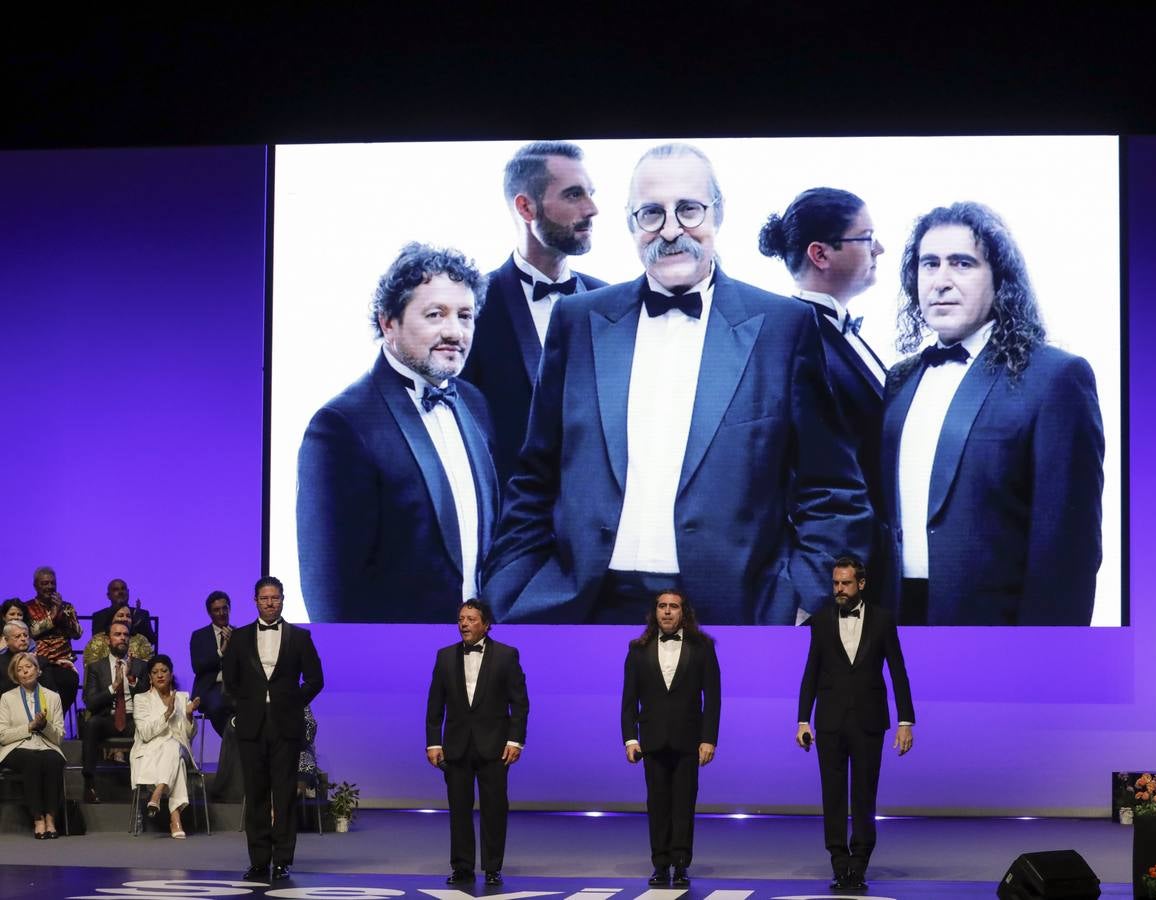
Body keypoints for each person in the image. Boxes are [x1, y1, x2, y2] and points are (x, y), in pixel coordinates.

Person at [484, 143, 872, 625]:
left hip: (735, 614)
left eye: (688, 209)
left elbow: (832, 491)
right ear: (630, 223)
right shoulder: (577, 321)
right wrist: (510, 588)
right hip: (584, 609)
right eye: (651, 213)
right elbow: (535, 478)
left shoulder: (783, 327)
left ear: (718, 213)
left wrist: (804, 600)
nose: (670, 230)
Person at [879, 202, 1105, 625]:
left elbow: (1068, 550)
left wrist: (1045, 659)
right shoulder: (900, 379)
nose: (940, 281)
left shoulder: (1055, 377)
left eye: (962, 264)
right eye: (929, 264)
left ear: (999, 279)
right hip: (895, 627)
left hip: (1000, 637)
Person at [298, 242, 499, 623]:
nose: (455, 331)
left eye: (465, 315)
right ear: (388, 322)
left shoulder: (475, 404)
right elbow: (329, 595)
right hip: (393, 668)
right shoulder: (340, 425)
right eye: (436, 314)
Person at [759, 187, 889, 595]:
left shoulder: (839, 330)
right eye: (867, 238)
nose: (880, 248)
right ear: (821, 254)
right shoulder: (796, 339)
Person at [459, 141, 606, 490]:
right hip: (511, 530)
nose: (593, 208)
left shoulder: (613, 302)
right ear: (526, 207)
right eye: (573, 195)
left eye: (590, 193)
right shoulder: (471, 307)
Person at [797, 555, 915, 888]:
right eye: (835, 583)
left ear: (861, 584)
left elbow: (898, 671)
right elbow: (811, 673)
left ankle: (859, 862)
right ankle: (838, 861)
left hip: (868, 720)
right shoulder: (820, 620)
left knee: (865, 794)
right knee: (832, 794)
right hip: (830, 721)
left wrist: (906, 720)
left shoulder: (882, 620)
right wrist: (802, 719)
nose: (839, 589)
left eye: (845, 583)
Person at [221, 576, 324, 883]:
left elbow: (316, 679)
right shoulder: (239, 638)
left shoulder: (299, 637)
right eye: (264, 598)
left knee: (284, 796)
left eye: (275, 598)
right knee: (255, 795)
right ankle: (258, 860)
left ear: (282, 600)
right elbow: (230, 680)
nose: (270, 603)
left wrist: (294, 702)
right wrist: (245, 706)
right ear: (255, 601)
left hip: (285, 725)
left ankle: (282, 860)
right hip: (252, 725)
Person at [425, 600, 528, 886]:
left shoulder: (507, 656)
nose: (464, 624)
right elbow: (435, 705)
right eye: (461, 618)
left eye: (471, 619)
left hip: (494, 747)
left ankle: (493, 867)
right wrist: (433, 742)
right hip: (456, 746)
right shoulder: (444, 656)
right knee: (458, 810)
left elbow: (519, 703)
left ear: (485, 624)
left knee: (494, 809)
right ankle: (462, 867)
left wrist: (515, 741)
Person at [620, 590, 720, 886]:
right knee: (658, 804)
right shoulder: (638, 649)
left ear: (683, 612)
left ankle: (680, 863)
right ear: (654, 612)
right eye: (662, 606)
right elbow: (629, 699)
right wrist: (629, 739)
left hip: (689, 740)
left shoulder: (702, 647)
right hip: (651, 739)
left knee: (684, 804)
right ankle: (660, 864)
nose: (667, 612)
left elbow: (713, 698)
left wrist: (709, 738)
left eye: (673, 607)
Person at [131, 654, 201, 838]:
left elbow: (188, 736)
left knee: (173, 745)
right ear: (150, 677)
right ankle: (175, 817)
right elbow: (145, 733)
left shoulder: (182, 697)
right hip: (150, 752)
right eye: (155, 672)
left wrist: (189, 716)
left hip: (180, 750)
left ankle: (158, 792)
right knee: (173, 755)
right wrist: (167, 714)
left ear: (171, 674)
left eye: (164, 671)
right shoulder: (141, 699)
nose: (160, 675)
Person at [80, 620, 150, 803]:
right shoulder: (96, 667)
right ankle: (89, 785)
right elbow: (90, 702)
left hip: (134, 718)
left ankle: (149, 786)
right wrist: (113, 687)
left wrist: (132, 681)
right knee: (91, 724)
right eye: (117, 634)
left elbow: (150, 698)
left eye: (126, 635)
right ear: (108, 640)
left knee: (151, 727)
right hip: (107, 719)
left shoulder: (141, 666)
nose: (122, 638)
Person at [0, 652, 66, 838]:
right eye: (19, 670)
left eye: (28, 667)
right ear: (15, 675)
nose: (24, 672)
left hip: (46, 745)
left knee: (53, 760)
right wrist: (30, 726)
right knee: (32, 760)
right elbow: (3, 735)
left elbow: (59, 737)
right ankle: (38, 819)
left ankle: (50, 819)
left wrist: (44, 726)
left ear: (38, 670)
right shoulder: (7, 698)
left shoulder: (52, 697)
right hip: (16, 747)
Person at [23, 566, 81, 711]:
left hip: (64, 660)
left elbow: (77, 633)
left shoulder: (66, 606)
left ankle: (58, 724)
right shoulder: (27, 607)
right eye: (45, 583)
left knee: (69, 684)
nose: (49, 587)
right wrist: (54, 616)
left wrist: (62, 612)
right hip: (39, 660)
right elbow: (31, 632)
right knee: (46, 693)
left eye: (52, 583)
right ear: (35, 586)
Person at [190, 590, 233, 736]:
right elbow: (197, 667)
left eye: (225, 608)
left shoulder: (240, 634)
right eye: (216, 610)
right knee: (218, 706)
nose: (222, 613)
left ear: (229, 609)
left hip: (234, 687)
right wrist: (221, 652)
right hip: (210, 687)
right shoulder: (199, 636)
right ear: (210, 613)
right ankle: (233, 743)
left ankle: (238, 746)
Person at [90, 578, 156, 644]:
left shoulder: (142, 614)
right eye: (115, 590)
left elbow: (151, 641)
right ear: (108, 596)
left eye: (123, 589)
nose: (120, 592)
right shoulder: (99, 616)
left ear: (128, 592)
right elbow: (97, 641)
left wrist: (136, 624)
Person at [85, 605, 154, 663]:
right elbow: (91, 667)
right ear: (111, 619)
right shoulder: (97, 640)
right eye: (120, 615)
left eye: (128, 616)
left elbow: (148, 667)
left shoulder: (141, 640)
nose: (125, 619)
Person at [0, 620, 40, 694]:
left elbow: (50, 690)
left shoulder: (40, 660)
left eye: (25, 635)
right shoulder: (1, 662)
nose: (23, 639)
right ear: (6, 640)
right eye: (17, 636)